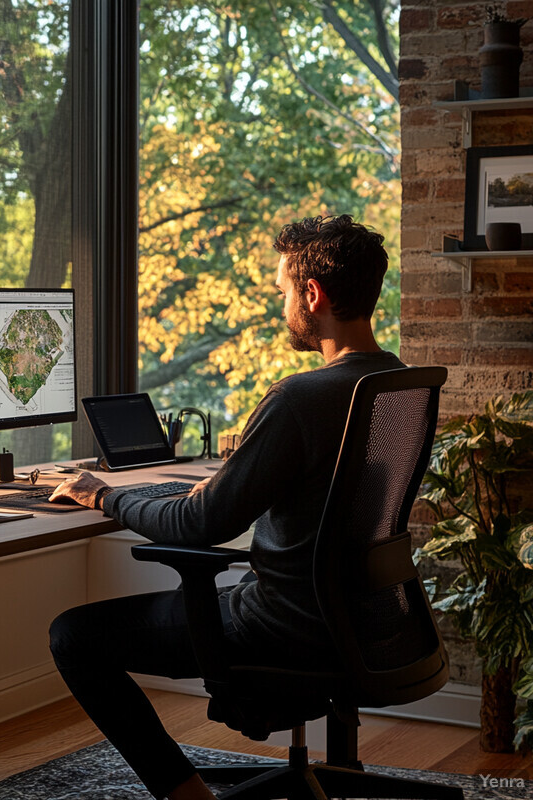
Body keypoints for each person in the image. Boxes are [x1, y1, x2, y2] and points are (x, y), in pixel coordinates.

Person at [47, 214, 404, 800]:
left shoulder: (301, 396)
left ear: (312, 295)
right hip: (362, 618)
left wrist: (104, 494)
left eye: (284, 290)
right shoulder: (397, 380)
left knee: (73, 636)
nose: (282, 302)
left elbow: (200, 524)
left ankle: (188, 797)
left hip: (279, 626)